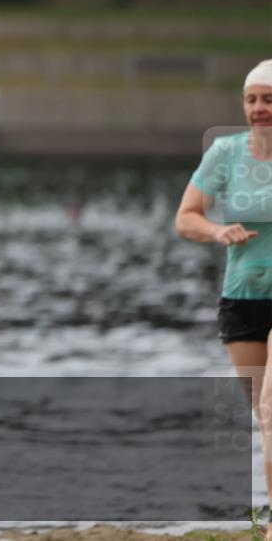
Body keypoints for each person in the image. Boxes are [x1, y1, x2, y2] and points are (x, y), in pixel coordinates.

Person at [175, 59, 271, 537]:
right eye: (252, 99)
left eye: (269, 99)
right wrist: (218, 231)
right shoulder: (226, 153)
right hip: (242, 297)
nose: (259, 107)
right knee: (265, 418)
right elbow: (186, 217)